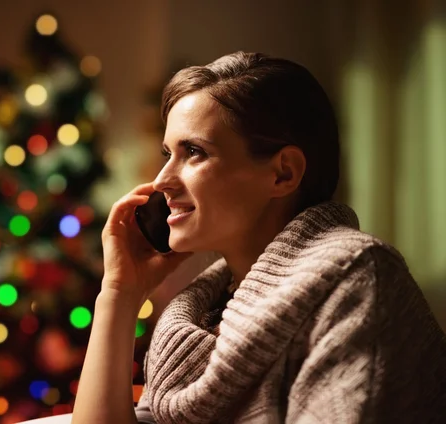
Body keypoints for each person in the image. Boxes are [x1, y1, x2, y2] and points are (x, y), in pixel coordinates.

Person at [70, 52, 446, 423]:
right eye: (168, 153)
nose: (162, 181)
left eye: (194, 152)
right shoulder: (202, 316)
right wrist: (120, 293)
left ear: (283, 173)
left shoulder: (358, 278)